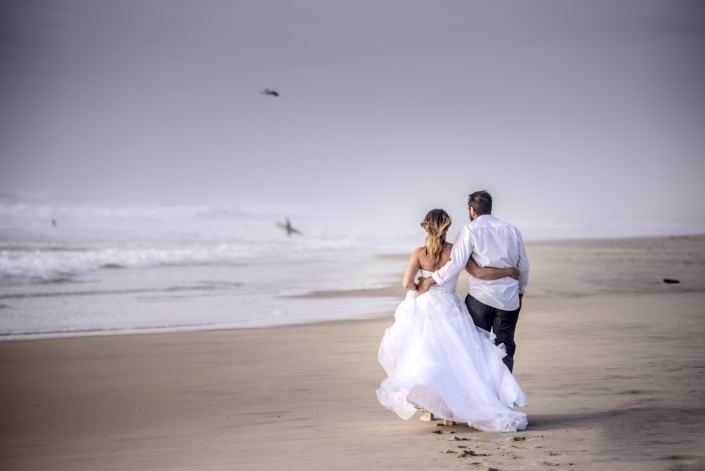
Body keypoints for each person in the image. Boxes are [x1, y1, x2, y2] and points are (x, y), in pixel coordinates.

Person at [376, 209, 528, 432]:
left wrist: (420, 285)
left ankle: (430, 410)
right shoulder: (456, 252)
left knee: (427, 355)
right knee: (455, 358)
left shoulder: (419, 253)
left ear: (425, 227)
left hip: (425, 307)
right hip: (450, 308)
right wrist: (509, 271)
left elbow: (407, 283)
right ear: (447, 228)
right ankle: (450, 414)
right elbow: (479, 272)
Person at [417, 191, 530, 373]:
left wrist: (431, 279)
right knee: (506, 346)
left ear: (471, 210)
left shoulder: (469, 231)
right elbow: (524, 267)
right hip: (509, 300)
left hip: (480, 299)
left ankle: (483, 391)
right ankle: (505, 393)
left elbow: (457, 263)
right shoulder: (512, 229)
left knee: (477, 345)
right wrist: (520, 293)